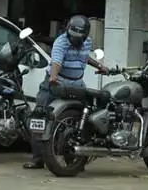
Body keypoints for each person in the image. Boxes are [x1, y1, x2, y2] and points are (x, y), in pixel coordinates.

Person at [26, 14, 105, 169]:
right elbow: (57, 61)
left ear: (85, 35)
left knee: (83, 119)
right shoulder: (61, 41)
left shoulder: (87, 42)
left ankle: (76, 159)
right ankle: (38, 158)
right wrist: (53, 78)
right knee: (39, 117)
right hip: (56, 82)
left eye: (78, 37)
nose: (74, 39)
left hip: (77, 84)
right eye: (72, 36)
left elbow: (84, 57)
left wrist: (100, 66)